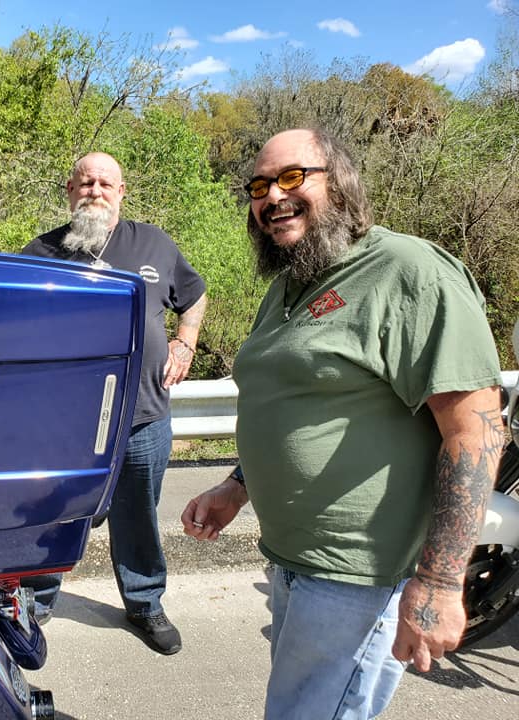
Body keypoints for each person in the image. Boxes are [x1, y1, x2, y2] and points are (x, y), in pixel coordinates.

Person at [181, 128, 504, 718]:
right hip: (293, 563)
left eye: (292, 177)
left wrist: (438, 582)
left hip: (359, 580)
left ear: (342, 183)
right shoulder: (290, 285)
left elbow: (475, 430)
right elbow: (299, 403)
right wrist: (237, 486)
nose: (272, 196)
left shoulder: (409, 271)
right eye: (259, 186)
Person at [21, 151, 207, 655]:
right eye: (86, 183)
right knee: (53, 514)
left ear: (121, 192)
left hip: (143, 417)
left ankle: (144, 602)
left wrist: (185, 341)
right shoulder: (39, 253)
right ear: (70, 191)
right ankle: (36, 600)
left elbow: (193, 295)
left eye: (106, 184)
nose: (95, 191)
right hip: (65, 426)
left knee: (137, 516)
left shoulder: (154, 244)